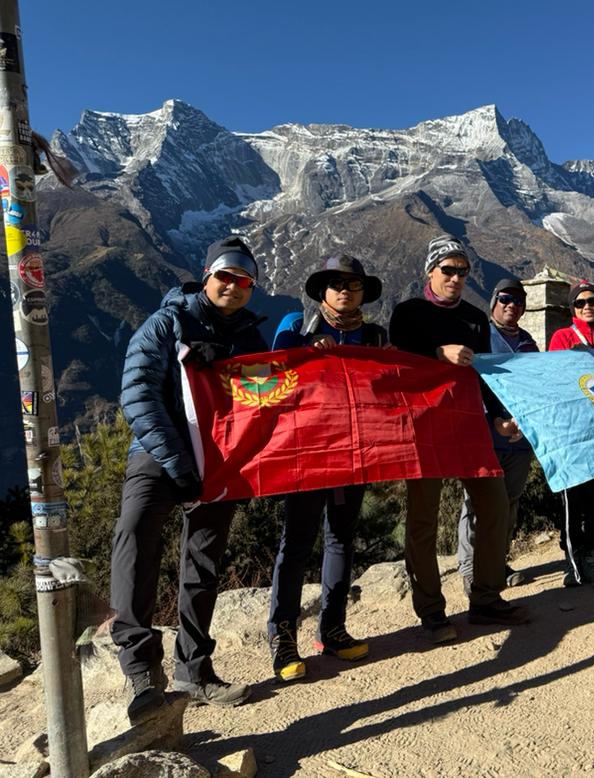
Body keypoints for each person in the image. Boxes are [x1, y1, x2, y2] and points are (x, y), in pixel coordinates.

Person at [110, 237, 267, 725]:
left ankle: (194, 671)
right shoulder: (167, 323)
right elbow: (137, 395)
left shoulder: (250, 339)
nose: (234, 286)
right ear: (206, 276)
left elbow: (263, 404)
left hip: (219, 464)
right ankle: (141, 674)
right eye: (226, 276)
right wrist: (177, 461)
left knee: (203, 560)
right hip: (158, 455)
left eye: (245, 280)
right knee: (136, 540)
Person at [388, 235, 528, 643]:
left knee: (494, 504)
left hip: (467, 423)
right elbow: (398, 363)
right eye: (447, 270)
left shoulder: (474, 317)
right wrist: (438, 353)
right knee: (423, 521)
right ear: (430, 271)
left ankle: (485, 598)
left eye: (462, 272)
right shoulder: (408, 312)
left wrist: (500, 415)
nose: (455, 278)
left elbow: (483, 371)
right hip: (423, 427)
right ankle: (431, 611)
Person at [266, 254, 388, 682]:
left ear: (363, 293)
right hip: (308, 451)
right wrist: (305, 351)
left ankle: (333, 628)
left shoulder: (375, 337)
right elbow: (277, 364)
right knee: (296, 543)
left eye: (353, 285)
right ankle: (283, 639)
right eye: (336, 284)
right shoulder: (296, 325)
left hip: (355, 452)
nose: (345, 291)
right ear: (322, 291)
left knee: (341, 539)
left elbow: (391, 383)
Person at [457, 277, 539, 594]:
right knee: (476, 504)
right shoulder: (479, 336)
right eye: (505, 299)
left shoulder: (529, 343)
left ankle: (496, 562)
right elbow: (469, 382)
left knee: (509, 503)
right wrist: (494, 420)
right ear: (494, 302)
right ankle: (469, 569)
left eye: (518, 301)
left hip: (519, 438)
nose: (511, 306)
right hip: (482, 434)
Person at [548, 281, 594, 587]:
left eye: (592, 301)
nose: (587, 306)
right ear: (572, 309)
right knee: (571, 496)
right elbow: (555, 378)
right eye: (580, 303)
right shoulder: (562, 337)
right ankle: (573, 556)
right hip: (572, 429)